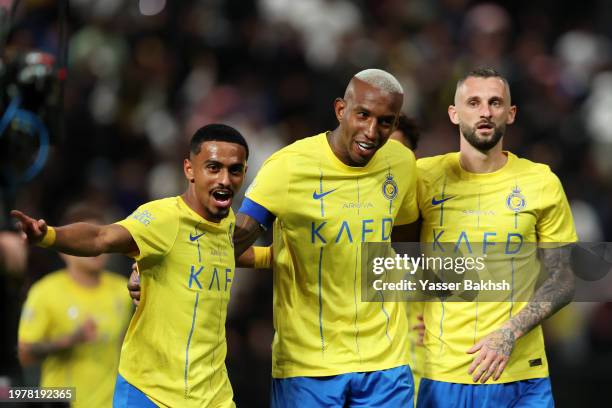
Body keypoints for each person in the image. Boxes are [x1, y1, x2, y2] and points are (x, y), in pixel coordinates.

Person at [12, 123, 249, 407]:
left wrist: (273, 256)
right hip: (112, 397)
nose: (225, 178)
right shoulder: (47, 292)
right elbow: (101, 237)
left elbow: (219, 254)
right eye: (213, 168)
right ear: (189, 169)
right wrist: (50, 235)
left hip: (210, 395)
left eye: (234, 170)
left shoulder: (118, 292)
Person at [232, 69, 419, 407]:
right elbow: (231, 242)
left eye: (385, 122)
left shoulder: (402, 163)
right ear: (340, 110)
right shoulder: (288, 167)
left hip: (386, 362)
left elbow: (405, 244)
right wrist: (155, 266)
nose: (372, 131)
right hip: (308, 364)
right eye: (363, 115)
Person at [415, 67, 577, 407]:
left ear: (511, 113)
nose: (485, 112)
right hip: (442, 374)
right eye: (473, 102)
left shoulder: (541, 182)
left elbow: (564, 277)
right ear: (454, 113)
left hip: (522, 376)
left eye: (495, 102)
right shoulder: (422, 178)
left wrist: (510, 332)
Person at [17, 205, 132, 408]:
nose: (96, 249)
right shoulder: (45, 292)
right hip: (61, 403)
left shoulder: (123, 291)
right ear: (65, 251)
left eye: (98, 237)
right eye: (84, 241)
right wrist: (70, 340)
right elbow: (25, 353)